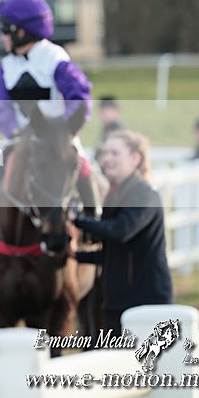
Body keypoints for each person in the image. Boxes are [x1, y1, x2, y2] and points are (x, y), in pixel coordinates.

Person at [0, 0, 97, 243]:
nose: (1, 37)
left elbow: (80, 95)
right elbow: (1, 108)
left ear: (21, 32)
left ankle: (93, 220)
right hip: (23, 135)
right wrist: (14, 132)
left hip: (59, 134)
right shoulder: (5, 66)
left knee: (83, 166)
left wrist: (66, 131)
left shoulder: (55, 58)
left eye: (4, 30)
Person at [71, 130, 173, 336]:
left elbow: (120, 232)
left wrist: (77, 219)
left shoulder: (145, 195)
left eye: (115, 153)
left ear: (135, 158)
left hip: (147, 304)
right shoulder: (116, 196)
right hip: (118, 303)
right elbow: (113, 254)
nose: (106, 159)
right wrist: (73, 255)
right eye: (105, 153)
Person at [95, 95, 126, 165]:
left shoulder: (119, 131)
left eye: (105, 111)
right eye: (100, 112)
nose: (102, 115)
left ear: (116, 111)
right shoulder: (106, 130)